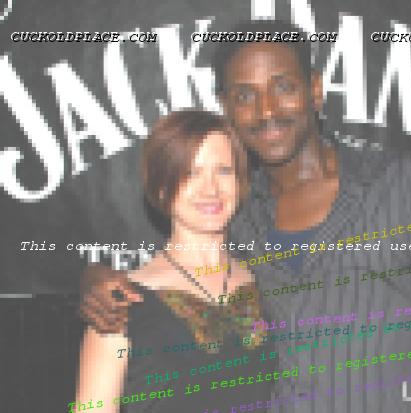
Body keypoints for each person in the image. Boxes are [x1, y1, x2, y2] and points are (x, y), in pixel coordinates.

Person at [80, 20, 411, 413]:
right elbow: (172, 273)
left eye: (283, 86)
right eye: (245, 96)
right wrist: (91, 278)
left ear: (315, 90)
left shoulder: (400, 183)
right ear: (226, 107)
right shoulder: (237, 216)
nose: (267, 110)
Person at [75, 110, 272, 413]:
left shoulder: (269, 281)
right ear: (161, 186)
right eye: (191, 173)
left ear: (241, 182)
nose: (211, 189)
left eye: (223, 171)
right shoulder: (117, 305)